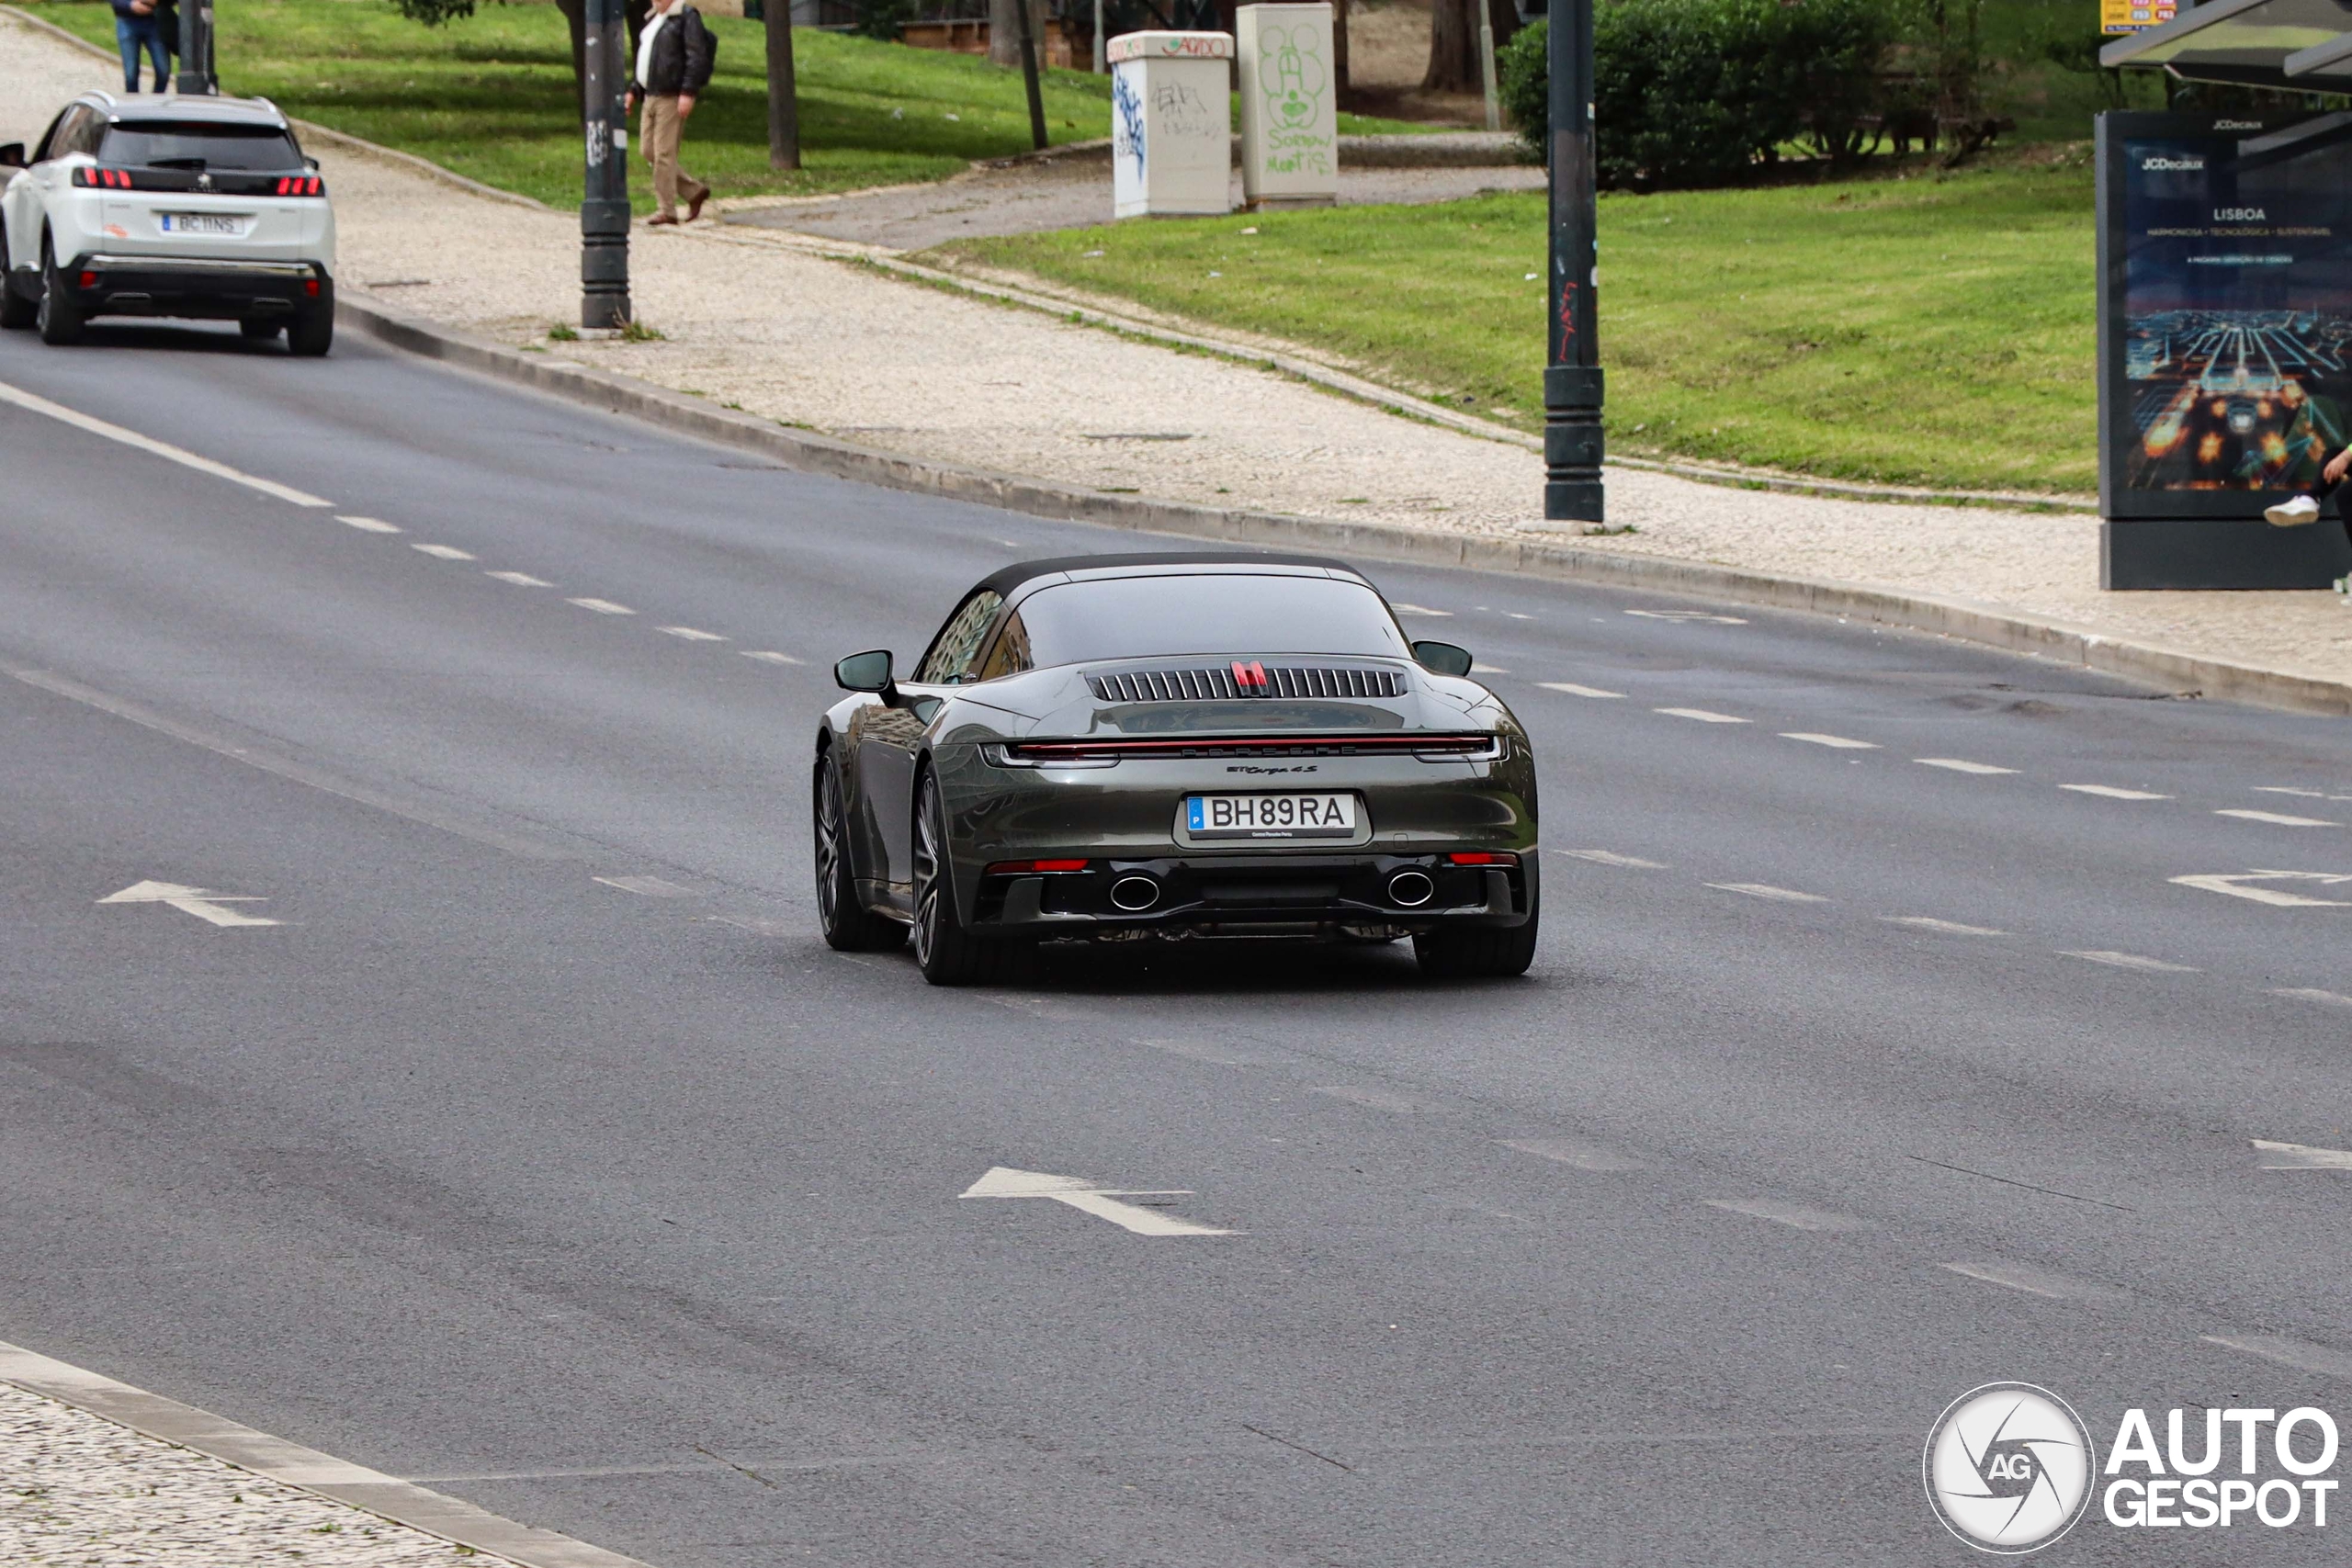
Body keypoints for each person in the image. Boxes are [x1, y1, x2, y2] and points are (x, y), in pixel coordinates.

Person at [626, 0, 716, 228]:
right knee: (648, 150)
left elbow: (696, 56)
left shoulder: (686, 16)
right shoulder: (653, 19)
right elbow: (646, 61)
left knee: (664, 154)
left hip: (671, 95)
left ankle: (666, 210)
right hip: (650, 95)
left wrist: (688, 91)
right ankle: (694, 192)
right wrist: (634, 89)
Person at [111, 0, 173, 94]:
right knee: (131, 74)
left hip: (155, 21)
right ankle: (133, 105)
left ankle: (155, 102)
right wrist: (130, 5)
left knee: (163, 71)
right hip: (127, 20)